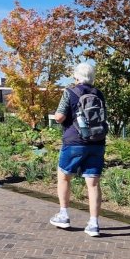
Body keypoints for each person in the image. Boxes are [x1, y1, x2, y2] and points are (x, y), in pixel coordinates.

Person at [49, 62, 107, 237]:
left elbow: (60, 117)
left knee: (64, 176)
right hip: (97, 141)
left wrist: (55, 116)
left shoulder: (70, 92)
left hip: (74, 141)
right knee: (93, 183)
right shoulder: (99, 94)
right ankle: (94, 224)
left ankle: (64, 215)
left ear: (76, 77)